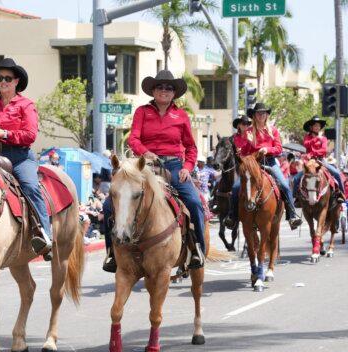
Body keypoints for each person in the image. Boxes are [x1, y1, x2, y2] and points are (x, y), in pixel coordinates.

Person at [101, 70, 205, 273]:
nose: (164, 91)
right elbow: (134, 139)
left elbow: (191, 148)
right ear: (153, 91)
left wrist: (187, 167)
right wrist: (145, 152)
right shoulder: (142, 112)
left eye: (169, 88)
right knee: (107, 205)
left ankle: (197, 249)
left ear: (174, 92)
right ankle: (112, 253)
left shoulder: (181, 115)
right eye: (160, 87)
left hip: (174, 165)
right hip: (144, 165)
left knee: (194, 202)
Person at [0, 58, 52, 259]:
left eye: (8, 78)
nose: (3, 82)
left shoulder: (26, 105)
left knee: (30, 186)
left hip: (20, 157)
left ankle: (44, 234)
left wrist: (3, 133)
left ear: (16, 81)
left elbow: (30, 135)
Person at [226, 103, 302, 230]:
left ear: (267, 115)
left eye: (264, 113)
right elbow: (244, 152)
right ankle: (232, 216)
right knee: (235, 187)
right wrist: (247, 142)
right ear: (254, 116)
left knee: (284, 185)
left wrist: (267, 149)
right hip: (253, 164)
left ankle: (292, 215)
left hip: (270, 162)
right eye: (258, 113)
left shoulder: (273, 130)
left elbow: (278, 149)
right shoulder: (248, 131)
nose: (261, 115)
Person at [292, 116, 345, 202]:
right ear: (311, 127)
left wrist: (311, 153)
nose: (317, 127)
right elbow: (306, 144)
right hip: (310, 162)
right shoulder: (307, 137)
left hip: (321, 160)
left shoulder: (323, 138)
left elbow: (323, 150)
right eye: (315, 125)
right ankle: (295, 197)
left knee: (336, 173)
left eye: (319, 126)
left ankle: (340, 194)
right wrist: (316, 139)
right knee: (296, 178)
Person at [222, 115, 251, 228]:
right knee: (233, 187)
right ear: (239, 125)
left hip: (251, 166)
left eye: (248, 124)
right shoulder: (232, 138)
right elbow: (227, 153)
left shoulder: (252, 136)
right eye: (244, 123)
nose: (246, 126)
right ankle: (232, 215)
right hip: (236, 166)